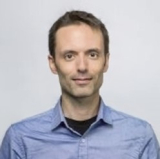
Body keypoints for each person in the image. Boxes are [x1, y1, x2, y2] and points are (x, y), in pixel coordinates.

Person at [0, 10, 159, 159]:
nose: (82, 66)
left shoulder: (140, 137)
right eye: (69, 56)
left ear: (106, 61)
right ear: (53, 63)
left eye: (92, 54)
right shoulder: (20, 140)